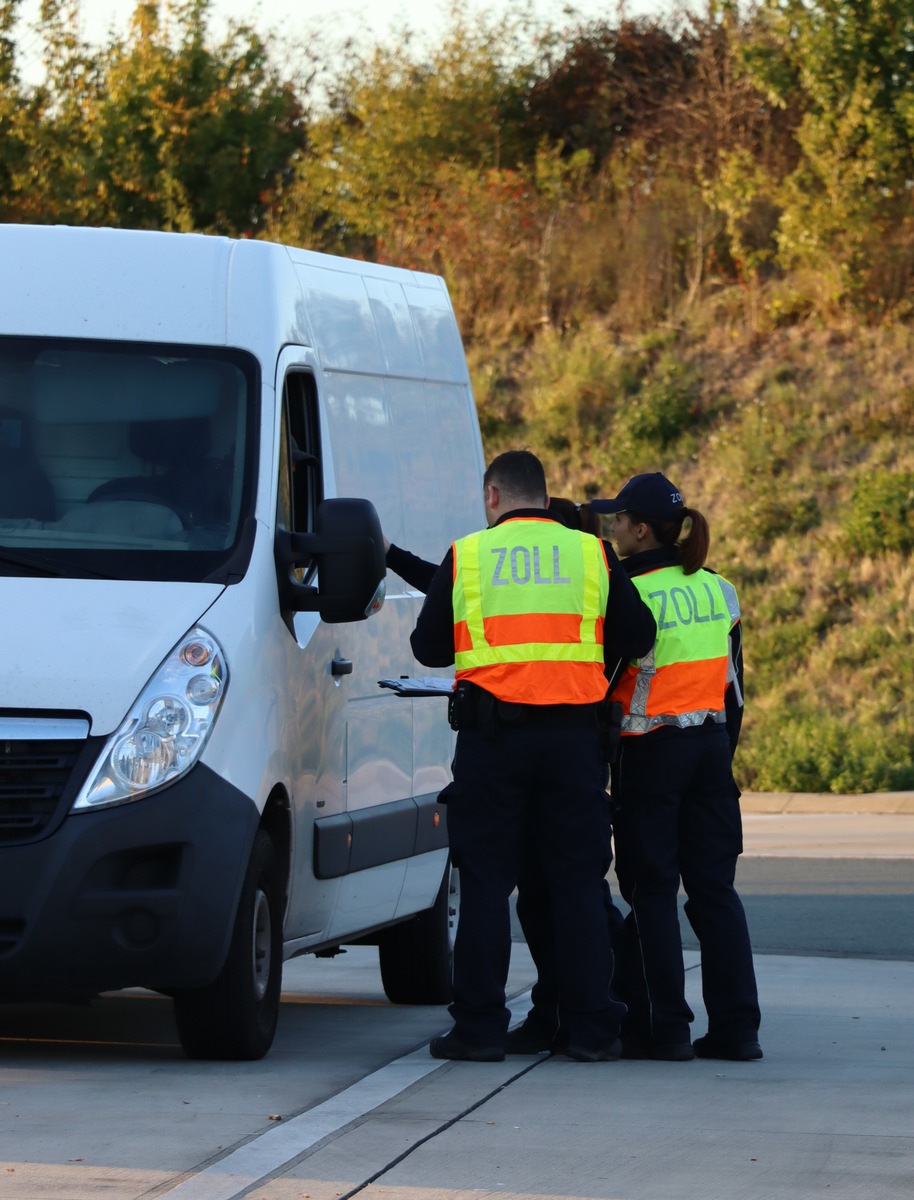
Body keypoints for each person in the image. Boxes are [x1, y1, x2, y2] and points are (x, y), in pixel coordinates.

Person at [408, 450, 656, 1062]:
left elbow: (428, 647)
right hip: (573, 744)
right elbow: (640, 635)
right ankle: (594, 1028)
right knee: (576, 883)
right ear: (545, 500)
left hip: (493, 744)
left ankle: (479, 1028)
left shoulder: (468, 554)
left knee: (487, 885)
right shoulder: (589, 553)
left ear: (493, 497)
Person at [589, 471, 762, 1062]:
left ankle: (666, 1030)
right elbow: (735, 689)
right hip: (711, 752)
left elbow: (602, 682)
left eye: (617, 520)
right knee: (715, 891)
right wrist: (720, 751)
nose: (610, 526)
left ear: (640, 531)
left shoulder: (626, 593)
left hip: (649, 752)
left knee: (652, 890)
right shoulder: (718, 589)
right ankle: (739, 1031)